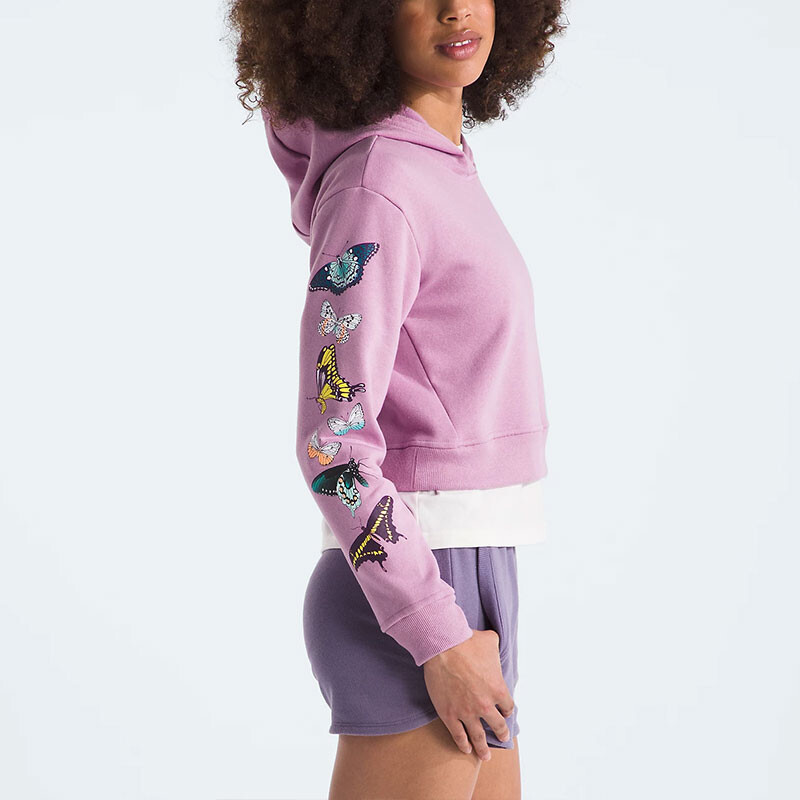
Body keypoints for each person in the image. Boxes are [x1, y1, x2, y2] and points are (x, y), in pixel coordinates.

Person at [226, 1, 566, 797]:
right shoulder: (378, 185)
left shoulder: (437, 164)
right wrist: (436, 633)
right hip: (416, 583)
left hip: (474, 566)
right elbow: (332, 443)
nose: (456, 8)